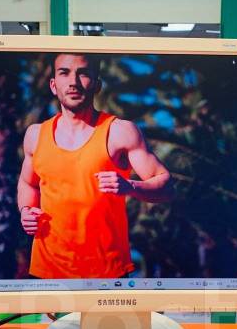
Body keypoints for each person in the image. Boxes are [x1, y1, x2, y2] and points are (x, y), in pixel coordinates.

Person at [17, 53, 173, 278]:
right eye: (64, 73)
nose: (73, 82)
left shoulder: (120, 132)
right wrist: (26, 210)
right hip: (47, 272)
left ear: (97, 85)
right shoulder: (35, 135)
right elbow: (28, 184)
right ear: (53, 85)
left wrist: (130, 187)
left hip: (106, 274)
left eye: (83, 74)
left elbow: (166, 186)